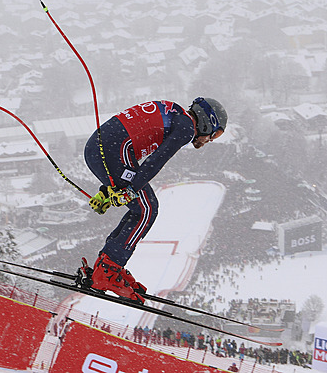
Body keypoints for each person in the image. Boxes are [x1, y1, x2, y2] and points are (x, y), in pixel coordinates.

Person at [83, 97, 227, 303]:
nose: (210, 139)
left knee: (140, 209)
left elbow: (133, 135)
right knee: (147, 209)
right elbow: (156, 160)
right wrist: (131, 189)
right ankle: (107, 270)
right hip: (112, 151)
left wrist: (109, 190)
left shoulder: (176, 113)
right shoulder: (186, 128)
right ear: (207, 122)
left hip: (102, 149)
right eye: (216, 133)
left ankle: (107, 266)